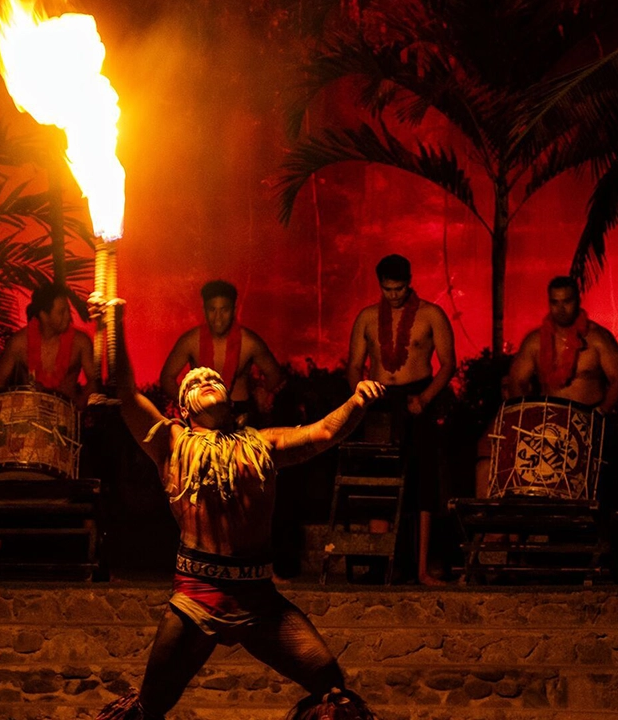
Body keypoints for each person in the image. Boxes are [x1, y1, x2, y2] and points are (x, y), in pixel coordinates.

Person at [93, 297, 385, 720]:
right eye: (194, 383)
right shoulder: (169, 443)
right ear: (184, 408)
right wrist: (114, 323)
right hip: (196, 597)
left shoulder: (261, 444)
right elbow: (126, 391)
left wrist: (358, 401)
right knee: (148, 706)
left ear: (231, 400)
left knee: (334, 691)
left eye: (214, 379)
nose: (206, 380)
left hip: (258, 597)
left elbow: (322, 434)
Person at [346, 254, 455, 585]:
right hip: (379, 402)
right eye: (388, 289)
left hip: (417, 398)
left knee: (422, 482)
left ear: (410, 282)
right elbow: (354, 365)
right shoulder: (366, 318)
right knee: (378, 481)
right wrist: (361, 394)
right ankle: (381, 567)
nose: (394, 295)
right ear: (380, 286)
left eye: (400, 288)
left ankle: (421, 569)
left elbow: (448, 364)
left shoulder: (431, 315)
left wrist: (425, 398)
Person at [160, 280, 283, 420]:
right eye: (212, 310)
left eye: (224, 310)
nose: (218, 317)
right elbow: (166, 377)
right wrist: (188, 403)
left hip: (241, 412)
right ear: (204, 310)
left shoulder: (250, 342)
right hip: (201, 412)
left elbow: (275, 375)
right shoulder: (190, 341)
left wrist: (262, 392)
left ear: (234, 310)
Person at [504, 276, 618, 411]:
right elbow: (517, 381)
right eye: (555, 302)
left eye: (567, 302)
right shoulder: (534, 342)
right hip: (548, 421)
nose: (561, 309)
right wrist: (529, 413)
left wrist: (599, 412)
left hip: (588, 418)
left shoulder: (598, 339)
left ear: (578, 301)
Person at [0, 282, 98, 407]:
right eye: (61, 312)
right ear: (44, 315)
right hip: (29, 415)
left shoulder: (81, 342)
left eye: (68, 311)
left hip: (68, 415)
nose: (68, 317)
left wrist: (78, 408)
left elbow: (94, 380)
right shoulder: (19, 343)